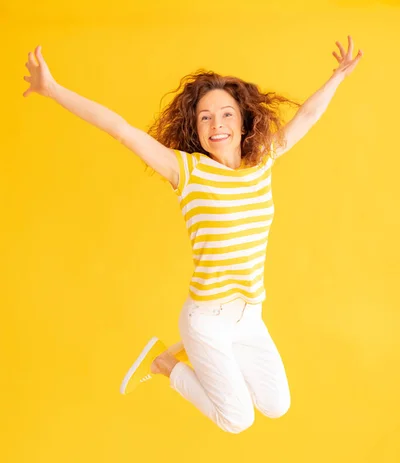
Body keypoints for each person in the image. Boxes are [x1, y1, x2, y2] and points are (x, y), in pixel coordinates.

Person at [23, 37, 363, 434]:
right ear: (194, 128)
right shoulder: (186, 172)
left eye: (225, 114)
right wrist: (53, 89)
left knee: (277, 406)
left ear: (243, 119)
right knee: (238, 420)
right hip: (208, 318)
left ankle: (200, 356)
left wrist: (336, 78)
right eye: (204, 118)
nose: (216, 125)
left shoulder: (262, 160)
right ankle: (167, 363)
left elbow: (306, 117)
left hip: (249, 315)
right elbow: (120, 129)